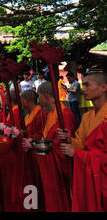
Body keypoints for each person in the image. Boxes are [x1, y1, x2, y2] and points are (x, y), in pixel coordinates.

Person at [23, 81, 77, 212]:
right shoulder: (51, 114)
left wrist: (34, 144)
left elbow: (60, 144)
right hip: (48, 165)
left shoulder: (65, 114)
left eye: (39, 96)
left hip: (59, 166)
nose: (38, 100)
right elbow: (47, 138)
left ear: (47, 96)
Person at [58, 72, 106, 211]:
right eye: (83, 85)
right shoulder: (87, 116)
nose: (83, 89)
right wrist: (69, 140)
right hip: (89, 174)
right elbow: (81, 144)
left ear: (103, 87)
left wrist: (78, 154)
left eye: (87, 85)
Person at [18, 90, 48, 211]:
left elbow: (42, 134)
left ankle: (36, 206)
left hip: (36, 153)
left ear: (27, 100)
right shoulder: (29, 114)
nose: (20, 102)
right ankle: (30, 204)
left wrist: (32, 141)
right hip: (27, 153)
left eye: (22, 99)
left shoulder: (41, 113)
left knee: (35, 182)